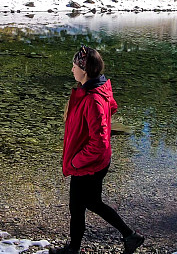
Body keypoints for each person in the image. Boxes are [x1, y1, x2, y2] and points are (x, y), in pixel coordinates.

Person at [49, 45, 145, 254]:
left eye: (74, 66)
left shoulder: (93, 98)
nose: (72, 70)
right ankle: (130, 236)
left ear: (84, 70)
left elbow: (99, 142)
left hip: (89, 164)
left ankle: (73, 249)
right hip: (93, 161)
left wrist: (76, 161)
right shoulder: (89, 91)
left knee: (78, 205)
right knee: (91, 203)